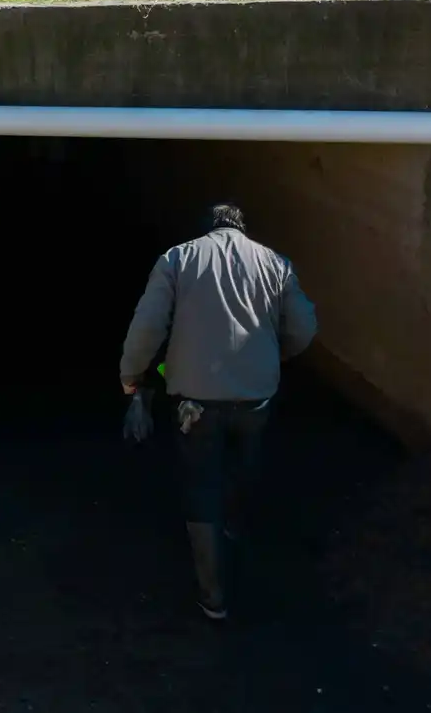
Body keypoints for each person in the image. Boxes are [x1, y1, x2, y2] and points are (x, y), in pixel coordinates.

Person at [119, 203, 318, 620]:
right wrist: (272, 356)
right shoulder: (276, 263)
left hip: (196, 400)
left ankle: (213, 597)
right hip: (256, 397)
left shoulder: (177, 258)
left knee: (200, 483)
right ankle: (233, 528)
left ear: (207, 229)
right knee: (245, 461)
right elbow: (303, 327)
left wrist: (132, 375)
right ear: (242, 229)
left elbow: (147, 326)